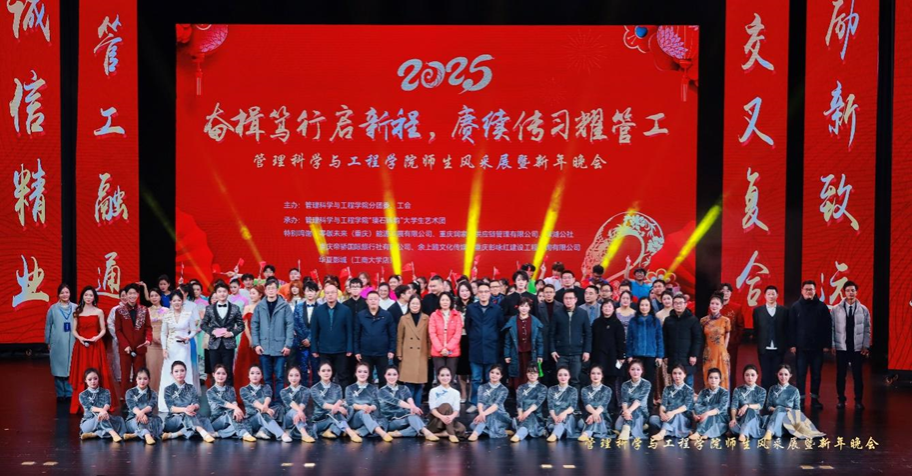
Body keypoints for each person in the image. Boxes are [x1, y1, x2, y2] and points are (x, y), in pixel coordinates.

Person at [69, 287, 118, 414]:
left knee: (98, 370)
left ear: (94, 297)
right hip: (81, 347)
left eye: (91, 295)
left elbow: (103, 330)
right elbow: (74, 330)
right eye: (86, 295)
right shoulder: (77, 312)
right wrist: (80, 338)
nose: (88, 297)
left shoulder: (99, 311)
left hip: (96, 345)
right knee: (82, 372)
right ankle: (82, 405)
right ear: (82, 296)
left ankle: (100, 403)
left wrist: (97, 337)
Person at [788, 280, 832, 409]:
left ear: (815, 291)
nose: (809, 291)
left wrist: (827, 344)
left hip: (817, 348)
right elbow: (791, 327)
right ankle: (800, 399)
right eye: (806, 289)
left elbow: (827, 327)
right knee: (800, 374)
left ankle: (815, 399)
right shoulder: (795, 307)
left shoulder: (822, 307)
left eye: (811, 289)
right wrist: (792, 344)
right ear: (802, 291)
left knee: (816, 374)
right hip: (801, 348)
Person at [465, 283, 506, 413]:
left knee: (490, 379)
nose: (483, 294)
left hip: (491, 348)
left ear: (490, 293)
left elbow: (500, 327)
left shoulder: (496, 309)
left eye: (486, 291)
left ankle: (489, 404)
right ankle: (475, 403)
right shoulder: (471, 308)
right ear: (477, 293)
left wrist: (493, 338)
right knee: (476, 378)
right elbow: (468, 326)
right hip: (475, 348)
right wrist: (475, 337)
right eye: (481, 292)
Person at [830, 281, 871, 410]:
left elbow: (867, 329)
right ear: (844, 292)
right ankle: (841, 399)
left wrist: (865, 345)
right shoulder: (836, 309)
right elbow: (831, 328)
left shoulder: (863, 309)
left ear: (856, 292)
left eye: (853, 290)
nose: (850, 293)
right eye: (848, 290)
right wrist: (833, 344)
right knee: (840, 375)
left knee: (858, 376)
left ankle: (858, 400)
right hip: (842, 347)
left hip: (857, 348)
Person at [252, 278, 295, 397]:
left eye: (273, 288)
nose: (271, 290)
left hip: (280, 347)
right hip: (264, 347)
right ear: (265, 290)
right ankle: (268, 400)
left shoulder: (284, 306)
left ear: (277, 290)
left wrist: (288, 345)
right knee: (267, 378)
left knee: (280, 377)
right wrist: (256, 344)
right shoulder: (260, 306)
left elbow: (290, 325)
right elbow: (255, 325)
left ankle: (279, 402)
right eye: (268, 288)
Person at [762, 364, 825, 440]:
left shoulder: (794, 390)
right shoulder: (772, 389)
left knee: (779, 413)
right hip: (775, 416)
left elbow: (797, 410)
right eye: (781, 374)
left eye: (786, 374)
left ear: (790, 375)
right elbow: (768, 406)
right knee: (775, 413)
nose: (783, 377)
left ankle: (769, 431)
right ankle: (773, 431)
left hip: (789, 418)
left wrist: (789, 410)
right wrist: (778, 409)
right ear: (777, 375)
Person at [159, 293, 199, 412]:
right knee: (169, 372)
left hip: (183, 347)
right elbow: (163, 333)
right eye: (174, 300)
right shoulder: (166, 315)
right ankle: (168, 403)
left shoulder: (188, 314)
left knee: (184, 370)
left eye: (179, 300)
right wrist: (164, 348)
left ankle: (187, 402)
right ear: (170, 302)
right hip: (170, 347)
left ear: (182, 301)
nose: (177, 303)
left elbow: (193, 330)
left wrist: (188, 337)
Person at [311, 283, 355, 389]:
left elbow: (350, 331)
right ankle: (327, 397)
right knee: (326, 376)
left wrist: (349, 348)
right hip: (324, 350)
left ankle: (343, 397)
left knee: (343, 375)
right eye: (327, 293)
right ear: (324, 295)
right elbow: (314, 332)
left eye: (332, 292)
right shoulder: (318, 311)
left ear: (337, 294)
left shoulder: (346, 310)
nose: (330, 295)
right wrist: (314, 348)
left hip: (341, 349)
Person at [201, 281, 245, 387]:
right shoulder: (209, 308)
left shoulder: (235, 308)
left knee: (228, 371)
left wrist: (231, 333)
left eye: (224, 291)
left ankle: (229, 394)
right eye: (219, 291)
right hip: (214, 344)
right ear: (216, 293)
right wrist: (212, 331)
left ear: (228, 293)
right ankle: (214, 395)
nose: (222, 294)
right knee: (214, 371)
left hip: (228, 344)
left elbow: (241, 325)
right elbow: (203, 325)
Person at [161, 361, 216, 442]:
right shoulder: (168, 389)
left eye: (182, 371)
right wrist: (185, 410)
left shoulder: (191, 388)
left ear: (186, 372)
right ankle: (202, 432)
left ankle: (174, 435)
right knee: (189, 417)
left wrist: (193, 407)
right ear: (172, 374)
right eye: (176, 371)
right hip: (174, 419)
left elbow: (197, 404)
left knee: (204, 420)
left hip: (191, 415)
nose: (179, 373)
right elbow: (171, 408)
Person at [379, 366, 439, 440]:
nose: (392, 377)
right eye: (389, 374)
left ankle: (400, 433)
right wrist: (413, 408)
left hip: (404, 417)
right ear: (385, 376)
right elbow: (396, 401)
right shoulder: (382, 391)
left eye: (394, 374)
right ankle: (426, 433)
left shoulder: (403, 388)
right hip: (391, 421)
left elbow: (409, 398)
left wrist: (413, 407)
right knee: (416, 421)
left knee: (415, 421)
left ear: (398, 376)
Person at [114, 284, 153, 399]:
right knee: (125, 374)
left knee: (139, 374)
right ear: (126, 295)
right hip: (125, 348)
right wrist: (125, 345)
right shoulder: (119, 311)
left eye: (134, 293)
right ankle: (125, 397)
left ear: (138, 294)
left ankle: (139, 396)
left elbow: (148, 327)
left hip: (140, 346)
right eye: (129, 293)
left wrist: (148, 339)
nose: (132, 296)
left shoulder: (144, 310)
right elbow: (118, 330)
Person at [549, 290, 591, 388]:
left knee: (575, 380)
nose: (568, 300)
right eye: (566, 298)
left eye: (571, 298)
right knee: (561, 380)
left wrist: (587, 351)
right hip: (561, 353)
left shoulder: (582, 313)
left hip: (577, 353)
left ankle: (574, 398)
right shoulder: (557, 313)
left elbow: (588, 333)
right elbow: (551, 334)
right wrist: (552, 350)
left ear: (575, 299)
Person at [590, 300, 626, 412]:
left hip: (612, 357)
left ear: (613, 309)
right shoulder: (596, 323)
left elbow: (621, 341)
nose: (607, 309)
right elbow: (592, 340)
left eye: (609, 307)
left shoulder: (617, 323)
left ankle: (610, 407)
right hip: (598, 356)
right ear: (601, 308)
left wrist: (621, 356)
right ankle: (597, 406)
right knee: (598, 381)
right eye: (605, 306)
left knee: (611, 382)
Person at [310, 362, 361, 441]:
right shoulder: (314, 389)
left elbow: (339, 401)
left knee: (349, 408)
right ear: (319, 373)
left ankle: (330, 430)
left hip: (334, 415)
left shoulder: (337, 387)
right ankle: (350, 432)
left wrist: (338, 407)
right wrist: (337, 408)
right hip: (321, 419)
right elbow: (323, 405)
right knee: (337, 413)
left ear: (332, 372)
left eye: (328, 370)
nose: (326, 373)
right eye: (323, 371)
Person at [627, 297, 664, 407]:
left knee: (649, 381)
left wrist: (660, 356)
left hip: (651, 355)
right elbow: (629, 339)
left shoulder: (655, 321)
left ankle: (648, 406)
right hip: (636, 355)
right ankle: (635, 406)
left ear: (650, 307)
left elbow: (659, 339)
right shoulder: (633, 321)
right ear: (638, 306)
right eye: (642, 305)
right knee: (635, 381)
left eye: (646, 305)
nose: (644, 307)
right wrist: (629, 355)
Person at [207, 364, 257, 442]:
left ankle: (219, 434)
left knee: (244, 422)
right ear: (213, 375)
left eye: (223, 374)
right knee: (232, 413)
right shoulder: (210, 392)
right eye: (218, 373)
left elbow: (233, 401)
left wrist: (236, 409)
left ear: (226, 375)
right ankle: (243, 433)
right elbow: (222, 403)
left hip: (231, 417)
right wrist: (236, 408)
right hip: (217, 420)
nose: (220, 376)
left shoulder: (231, 389)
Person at [353, 291, 396, 381]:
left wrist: (391, 350)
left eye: (375, 299)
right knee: (366, 378)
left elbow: (392, 334)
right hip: (365, 352)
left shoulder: (386, 315)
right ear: (367, 301)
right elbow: (356, 334)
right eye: (371, 299)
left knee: (383, 378)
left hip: (383, 352)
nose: (373, 301)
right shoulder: (361, 315)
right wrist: (357, 351)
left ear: (379, 300)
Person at [345, 362, 394, 441]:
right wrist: (362, 407)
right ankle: (382, 433)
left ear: (368, 374)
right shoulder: (349, 388)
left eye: (365, 372)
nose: (362, 374)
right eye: (360, 371)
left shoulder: (373, 388)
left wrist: (370, 408)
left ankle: (357, 432)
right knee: (363, 413)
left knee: (383, 421)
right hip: (355, 418)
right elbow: (350, 404)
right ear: (356, 373)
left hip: (371, 416)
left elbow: (376, 404)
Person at [503, 298, 544, 389]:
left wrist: (540, 355)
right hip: (516, 354)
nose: (524, 308)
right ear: (518, 307)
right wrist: (507, 355)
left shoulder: (535, 321)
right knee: (517, 376)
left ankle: (531, 396)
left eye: (526, 306)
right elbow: (508, 340)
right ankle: (518, 395)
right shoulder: (512, 320)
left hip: (531, 354)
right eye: (522, 306)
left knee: (531, 374)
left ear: (530, 308)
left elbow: (539, 341)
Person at [396, 294, 429, 407]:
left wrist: (429, 354)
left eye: (417, 303)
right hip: (407, 355)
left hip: (421, 354)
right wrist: (399, 353)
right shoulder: (404, 318)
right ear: (409, 305)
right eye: (413, 303)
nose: (415, 305)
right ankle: (410, 409)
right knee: (409, 384)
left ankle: (417, 408)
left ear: (420, 305)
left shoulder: (426, 318)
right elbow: (400, 337)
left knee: (419, 384)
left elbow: (428, 338)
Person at [753, 285, 789, 390]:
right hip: (764, 349)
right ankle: (765, 396)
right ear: (764, 295)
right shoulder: (758, 311)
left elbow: (787, 329)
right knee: (765, 374)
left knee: (777, 375)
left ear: (777, 295)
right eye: (769, 294)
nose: (771, 296)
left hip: (779, 348)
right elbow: (756, 329)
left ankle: (776, 396)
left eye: (773, 294)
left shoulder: (784, 311)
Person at [46, 283, 77, 402]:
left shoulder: (76, 308)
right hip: (57, 343)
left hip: (72, 342)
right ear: (58, 294)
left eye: (67, 292)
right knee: (58, 368)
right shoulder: (53, 309)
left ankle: (69, 393)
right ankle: (60, 393)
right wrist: (48, 341)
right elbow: (48, 325)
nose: (65, 295)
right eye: (62, 292)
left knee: (70, 368)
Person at [663, 293, 702, 387]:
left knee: (688, 383)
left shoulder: (693, 320)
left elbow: (697, 339)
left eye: (680, 303)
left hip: (688, 357)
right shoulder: (668, 320)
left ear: (685, 304)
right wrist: (665, 355)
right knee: (674, 384)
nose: (678, 305)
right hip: (673, 357)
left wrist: (694, 355)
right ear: (673, 305)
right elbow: (664, 339)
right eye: (676, 303)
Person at [77, 368, 124, 442]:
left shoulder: (105, 392)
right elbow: (90, 407)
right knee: (99, 416)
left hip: (104, 417)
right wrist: (102, 411)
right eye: (90, 379)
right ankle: (113, 433)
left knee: (119, 420)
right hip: (89, 423)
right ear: (85, 380)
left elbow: (107, 404)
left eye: (95, 378)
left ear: (98, 378)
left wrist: (103, 411)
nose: (93, 381)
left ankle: (96, 434)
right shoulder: (82, 395)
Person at [241, 364, 287, 441]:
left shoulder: (266, 387)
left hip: (266, 415)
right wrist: (265, 409)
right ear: (248, 376)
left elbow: (268, 397)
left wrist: (265, 406)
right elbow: (253, 401)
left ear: (261, 376)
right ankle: (282, 434)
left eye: (258, 373)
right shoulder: (244, 390)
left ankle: (263, 431)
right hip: (252, 419)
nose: (255, 375)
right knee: (262, 413)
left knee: (280, 408)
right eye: (252, 373)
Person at [649, 364, 694, 441]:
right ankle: (683, 431)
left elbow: (686, 406)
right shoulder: (667, 389)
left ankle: (663, 432)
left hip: (682, 417)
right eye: (674, 373)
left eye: (680, 373)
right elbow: (663, 404)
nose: (677, 376)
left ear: (684, 375)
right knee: (653, 419)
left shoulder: (689, 390)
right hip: (668, 416)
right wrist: (662, 413)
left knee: (676, 415)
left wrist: (673, 412)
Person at [466, 365, 510, 441]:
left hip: (498, 414)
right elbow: (480, 402)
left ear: (501, 376)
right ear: (489, 373)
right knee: (473, 425)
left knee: (489, 414)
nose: (494, 375)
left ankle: (475, 434)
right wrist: (481, 413)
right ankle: (499, 431)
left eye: (497, 373)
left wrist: (483, 414)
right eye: (492, 372)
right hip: (484, 414)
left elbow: (496, 406)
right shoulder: (482, 387)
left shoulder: (504, 390)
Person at [235, 285, 263, 396]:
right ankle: (244, 390)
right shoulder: (247, 307)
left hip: (261, 339)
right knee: (245, 363)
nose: (251, 295)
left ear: (260, 295)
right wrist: (250, 338)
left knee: (259, 362)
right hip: (247, 339)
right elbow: (245, 325)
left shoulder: (263, 307)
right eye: (250, 293)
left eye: (253, 293)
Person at [292, 281, 320, 386]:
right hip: (301, 343)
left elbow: (320, 326)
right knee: (302, 368)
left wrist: (309, 339)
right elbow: (295, 324)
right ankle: (303, 390)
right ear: (304, 292)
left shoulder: (321, 307)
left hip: (315, 344)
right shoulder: (298, 307)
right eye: (308, 291)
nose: (310, 293)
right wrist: (303, 339)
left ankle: (316, 391)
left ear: (316, 292)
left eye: (312, 291)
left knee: (316, 368)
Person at [429, 292, 463, 379]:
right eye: (443, 300)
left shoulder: (457, 315)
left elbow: (457, 334)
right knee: (440, 377)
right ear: (439, 301)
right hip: (438, 351)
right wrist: (441, 349)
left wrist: (448, 348)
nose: (445, 302)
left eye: (447, 300)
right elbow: (432, 333)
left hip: (452, 351)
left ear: (451, 301)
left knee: (450, 377)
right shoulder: (434, 315)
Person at [510, 364, 548, 442]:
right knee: (524, 420)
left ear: (538, 374)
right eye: (530, 373)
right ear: (527, 374)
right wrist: (520, 414)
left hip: (536, 415)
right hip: (522, 415)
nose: (532, 375)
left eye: (534, 373)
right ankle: (537, 431)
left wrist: (527, 412)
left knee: (530, 418)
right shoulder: (521, 388)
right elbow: (519, 402)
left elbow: (538, 402)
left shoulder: (543, 388)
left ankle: (519, 434)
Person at [701, 293, 732, 389]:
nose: (714, 306)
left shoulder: (726, 320)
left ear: (721, 306)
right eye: (712, 303)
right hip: (708, 354)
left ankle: (723, 399)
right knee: (708, 378)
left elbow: (727, 335)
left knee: (722, 379)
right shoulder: (703, 320)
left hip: (721, 353)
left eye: (717, 304)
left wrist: (724, 350)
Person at [124, 368, 162, 444]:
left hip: (149, 418)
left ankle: (135, 435)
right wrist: (141, 414)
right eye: (140, 378)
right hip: (134, 419)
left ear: (149, 380)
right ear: (136, 379)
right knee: (141, 421)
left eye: (145, 379)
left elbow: (150, 406)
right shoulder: (129, 392)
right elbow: (132, 406)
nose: (142, 381)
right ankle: (147, 435)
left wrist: (142, 413)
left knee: (157, 421)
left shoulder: (153, 393)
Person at [615, 359, 651, 440]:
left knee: (635, 410)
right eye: (633, 369)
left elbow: (638, 401)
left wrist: (629, 411)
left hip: (641, 411)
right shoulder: (625, 385)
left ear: (642, 371)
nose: (635, 372)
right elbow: (624, 401)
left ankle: (627, 428)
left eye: (638, 369)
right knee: (617, 427)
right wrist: (626, 412)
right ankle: (640, 427)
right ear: (629, 371)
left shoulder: (646, 384)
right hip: (627, 411)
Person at [426, 367, 465, 442]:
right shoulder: (433, 391)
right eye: (442, 375)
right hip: (436, 421)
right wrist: (442, 417)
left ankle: (439, 434)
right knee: (446, 405)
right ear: (438, 377)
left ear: (451, 376)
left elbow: (456, 410)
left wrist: (451, 417)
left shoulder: (456, 392)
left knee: (462, 428)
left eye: (447, 375)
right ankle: (451, 434)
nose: (445, 378)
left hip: (449, 420)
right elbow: (432, 409)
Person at [690, 368, 730, 440]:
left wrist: (707, 413)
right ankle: (707, 433)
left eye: (716, 378)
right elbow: (697, 406)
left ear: (720, 380)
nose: (713, 380)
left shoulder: (724, 392)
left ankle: (699, 433)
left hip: (720, 417)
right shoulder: (703, 392)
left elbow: (721, 408)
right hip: (704, 416)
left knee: (711, 411)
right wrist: (696, 415)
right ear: (707, 379)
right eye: (711, 377)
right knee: (707, 411)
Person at [729, 365, 766, 441]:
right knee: (731, 425)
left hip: (755, 419)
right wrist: (733, 419)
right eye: (747, 375)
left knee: (750, 410)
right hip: (741, 418)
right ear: (744, 376)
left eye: (752, 375)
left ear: (757, 376)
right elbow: (734, 406)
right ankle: (750, 432)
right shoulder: (738, 390)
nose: (750, 377)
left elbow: (760, 405)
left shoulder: (761, 391)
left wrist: (747, 406)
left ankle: (742, 433)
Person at [280, 366, 316, 442]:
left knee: (297, 412)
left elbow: (303, 403)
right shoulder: (283, 392)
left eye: (296, 375)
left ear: (300, 377)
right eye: (291, 375)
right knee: (294, 411)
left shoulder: (306, 390)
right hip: (289, 420)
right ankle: (304, 435)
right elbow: (291, 403)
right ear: (288, 377)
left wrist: (299, 412)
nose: (294, 378)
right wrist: (299, 412)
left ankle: (298, 431)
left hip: (302, 418)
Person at [719, 283, 745, 389]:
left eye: (728, 291)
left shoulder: (736, 307)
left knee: (731, 369)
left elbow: (740, 326)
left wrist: (735, 341)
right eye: (723, 291)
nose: (725, 293)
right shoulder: (714, 306)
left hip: (731, 345)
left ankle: (731, 394)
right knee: (717, 369)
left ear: (731, 293)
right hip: (716, 345)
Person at [578, 365, 614, 442]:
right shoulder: (584, 390)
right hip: (586, 417)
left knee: (598, 417)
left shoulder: (607, 390)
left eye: (598, 373)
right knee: (590, 419)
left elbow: (603, 406)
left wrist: (594, 415)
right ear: (590, 375)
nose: (595, 376)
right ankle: (594, 432)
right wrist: (594, 414)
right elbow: (587, 405)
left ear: (602, 375)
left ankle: (586, 433)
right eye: (593, 373)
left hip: (603, 417)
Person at [545, 366, 580, 441]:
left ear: (569, 376)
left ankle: (554, 435)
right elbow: (550, 407)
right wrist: (555, 417)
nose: (563, 377)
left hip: (567, 416)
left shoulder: (573, 390)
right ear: (557, 376)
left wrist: (564, 413)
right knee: (552, 426)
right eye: (560, 375)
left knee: (564, 421)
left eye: (565, 375)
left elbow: (572, 407)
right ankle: (557, 431)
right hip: (554, 417)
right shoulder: (552, 389)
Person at [453, 282, 474, 402]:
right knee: (461, 369)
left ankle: (471, 394)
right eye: (462, 291)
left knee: (471, 369)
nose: (464, 293)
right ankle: (463, 393)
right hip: (459, 338)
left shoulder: (475, 304)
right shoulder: (455, 306)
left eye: (467, 290)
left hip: (472, 339)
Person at [537, 284, 561, 386]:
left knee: (556, 368)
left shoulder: (560, 306)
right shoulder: (538, 307)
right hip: (543, 341)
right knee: (544, 368)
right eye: (546, 292)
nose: (548, 294)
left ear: (554, 293)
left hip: (557, 341)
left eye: (551, 292)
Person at [146, 289, 166, 393]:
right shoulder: (146, 311)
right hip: (151, 343)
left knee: (163, 368)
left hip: (164, 343)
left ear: (160, 297)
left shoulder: (167, 310)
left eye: (156, 295)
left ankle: (163, 392)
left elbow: (170, 327)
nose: (154, 298)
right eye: (152, 296)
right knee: (151, 367)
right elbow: (144, 328)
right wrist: (152, 337)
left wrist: (164, 339)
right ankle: (152, 392)